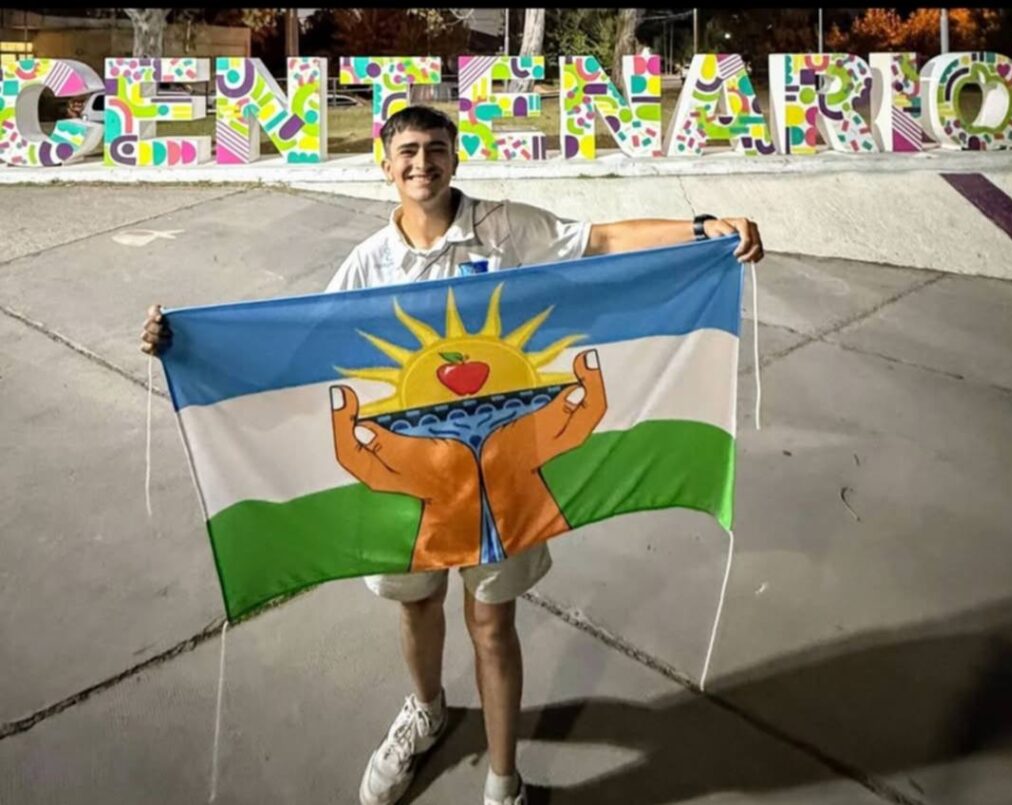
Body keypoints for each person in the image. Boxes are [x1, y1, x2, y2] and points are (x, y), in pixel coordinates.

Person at [140, 105, 763, 805]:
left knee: (492, 624)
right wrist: (187, 346)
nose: (422, 163)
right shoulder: (368, 264)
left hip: (506, 480)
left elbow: (603, 241)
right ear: (384, 164)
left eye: (436, 148)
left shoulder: (506, 227)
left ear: (455, 157)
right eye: (406, 151)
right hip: (412, 488)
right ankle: (428, 711)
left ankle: (503, 779)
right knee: (417, 605)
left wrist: (704, 229)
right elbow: (298, 351)